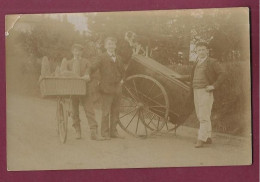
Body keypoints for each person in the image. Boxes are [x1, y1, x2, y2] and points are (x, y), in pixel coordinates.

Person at [178, 41, 226, 148]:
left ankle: (200, 139)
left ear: (207, 51)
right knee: (201, 115)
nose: (201, 51)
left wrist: (213, 86)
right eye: (199, 50)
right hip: (196, 91)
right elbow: (192, 77)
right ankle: (207, 137)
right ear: (197, 51)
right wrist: (179, 77)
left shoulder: (212, 62)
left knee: (203, 115)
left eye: (203, 49)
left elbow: (222, 74)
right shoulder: (197, 62)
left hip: (206, 91)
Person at [60, 43, 102, 141]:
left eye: (79, 51)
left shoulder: (86, 62)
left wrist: (87, 75)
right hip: (73, 89)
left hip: (85, 88)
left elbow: (89, 70)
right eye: (75, 50)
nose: (77, 52)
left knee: (89, 110)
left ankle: (93, 132)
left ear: (82, 52)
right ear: (72, 52)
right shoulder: (68, 63)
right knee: (74, 111)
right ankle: (77, 130)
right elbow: (64, 73)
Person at [90, 37, 126, 140]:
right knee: (106, 111)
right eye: (109, 44)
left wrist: (123, 79)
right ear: (105, 46)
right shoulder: (101, 57)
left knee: (116, 111)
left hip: (117, 88)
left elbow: (123, 72)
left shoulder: (119, 58)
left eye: (113, 44)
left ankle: (114, 132)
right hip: (106, 88)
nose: (111, 46)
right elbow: (93, 67)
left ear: (115, 46)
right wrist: (88, 74)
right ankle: (105, 133)